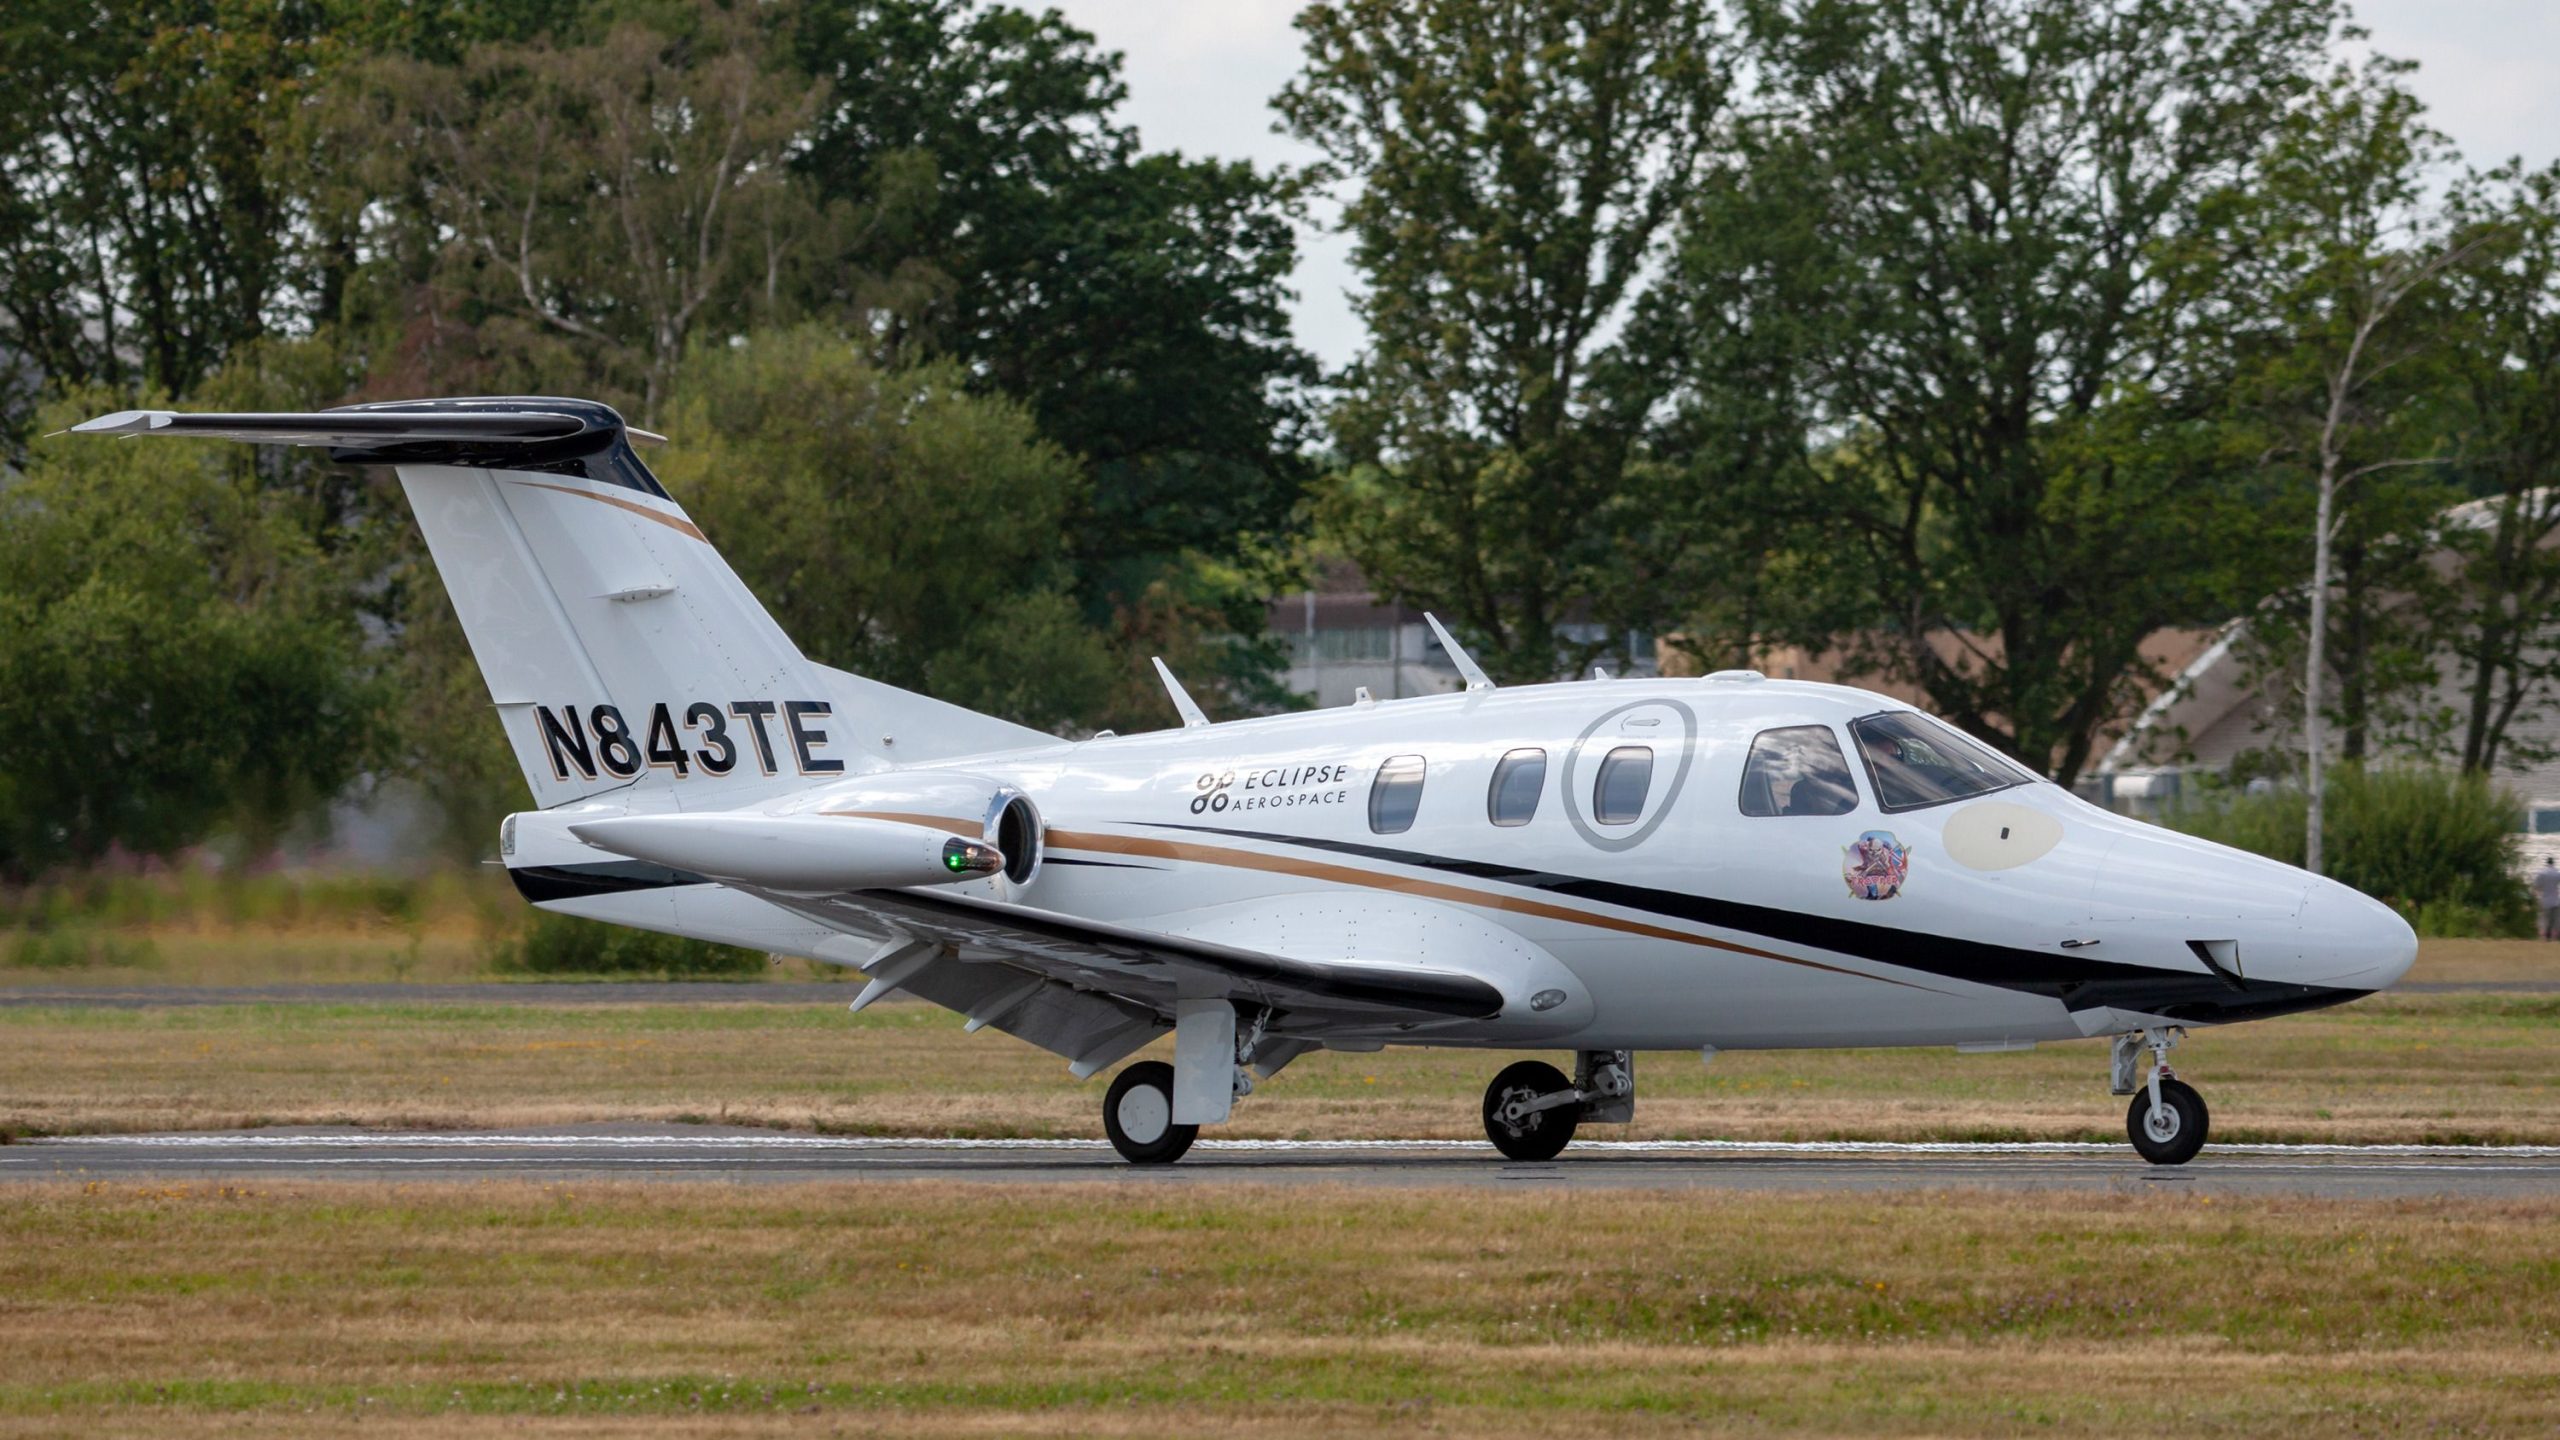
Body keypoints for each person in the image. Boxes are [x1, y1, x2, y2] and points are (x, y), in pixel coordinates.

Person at [2535, 858, 2560, 941]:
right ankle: (2554, 936)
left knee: (2545, 919)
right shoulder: (2557, 873)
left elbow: (2537, 887)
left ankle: (2546, 936)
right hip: (2556, 900)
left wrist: (2536, 897)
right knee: (2555, 920)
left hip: (2545, 900)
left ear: (2546, 863)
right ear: (2553, 863)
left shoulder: (2542, 873)